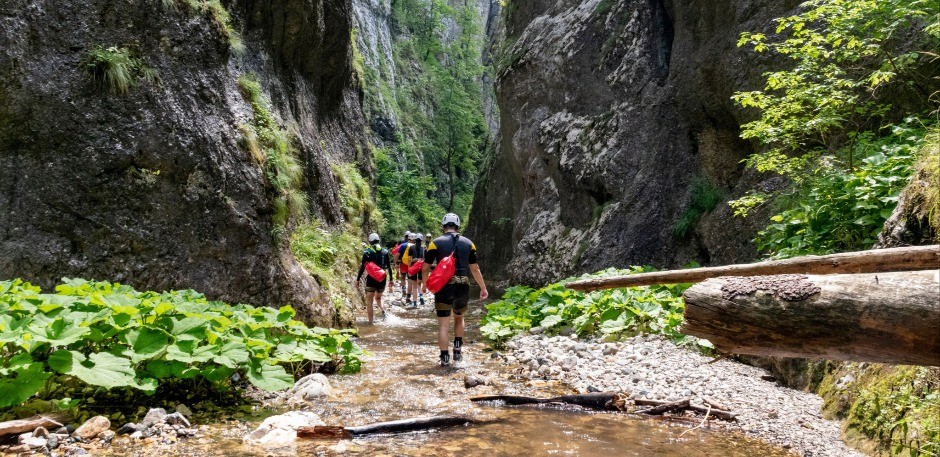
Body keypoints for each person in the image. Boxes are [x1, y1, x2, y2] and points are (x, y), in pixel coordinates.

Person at [423, 213, 488, 366]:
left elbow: (425, 267)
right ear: (458, 226)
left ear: (443, 226)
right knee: (459, 317)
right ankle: (457, 351)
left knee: (443, 325)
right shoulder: (469, 244)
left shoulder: (435, 243)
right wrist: (483, 288)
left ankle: (444, 358)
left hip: (444, 286)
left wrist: (425, 284)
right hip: (463, 285)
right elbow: (475, 268)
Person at [355, 233, 393, 324]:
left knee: (369, 302)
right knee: (378, 298)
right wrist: (391, 279)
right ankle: (383, 311)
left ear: (370, 241)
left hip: (371, 279)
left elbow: (363, 267)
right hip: (382, 279)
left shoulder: (367, 252)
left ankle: (371, 322)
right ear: (378, 240)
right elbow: (389, 267)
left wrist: (358, 279)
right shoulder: (385, 252)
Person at [404, 233, 426, 308]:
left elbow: (409, 260)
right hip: (421, 267)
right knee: (419, 284)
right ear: (421, 240)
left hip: (413, 267)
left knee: (414, 286)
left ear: (415, 240)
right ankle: (421, 297)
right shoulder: (424, 249)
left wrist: (409, 269)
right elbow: (426, 260)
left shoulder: (411, 248)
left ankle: (415, 303)